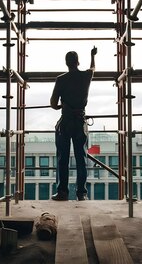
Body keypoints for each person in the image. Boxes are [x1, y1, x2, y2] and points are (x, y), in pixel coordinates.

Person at [49, 46, 97, 201]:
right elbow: (92, 68)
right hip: (79, 122)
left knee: (63, 158)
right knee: (81, 158)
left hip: (66, 122)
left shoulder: (61, 79)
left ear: (66, 63)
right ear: (78, 62)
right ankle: (81, 193)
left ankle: (62, 192)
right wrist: (92, 55)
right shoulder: (86, 76)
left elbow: (53, 103)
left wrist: (62, 106)